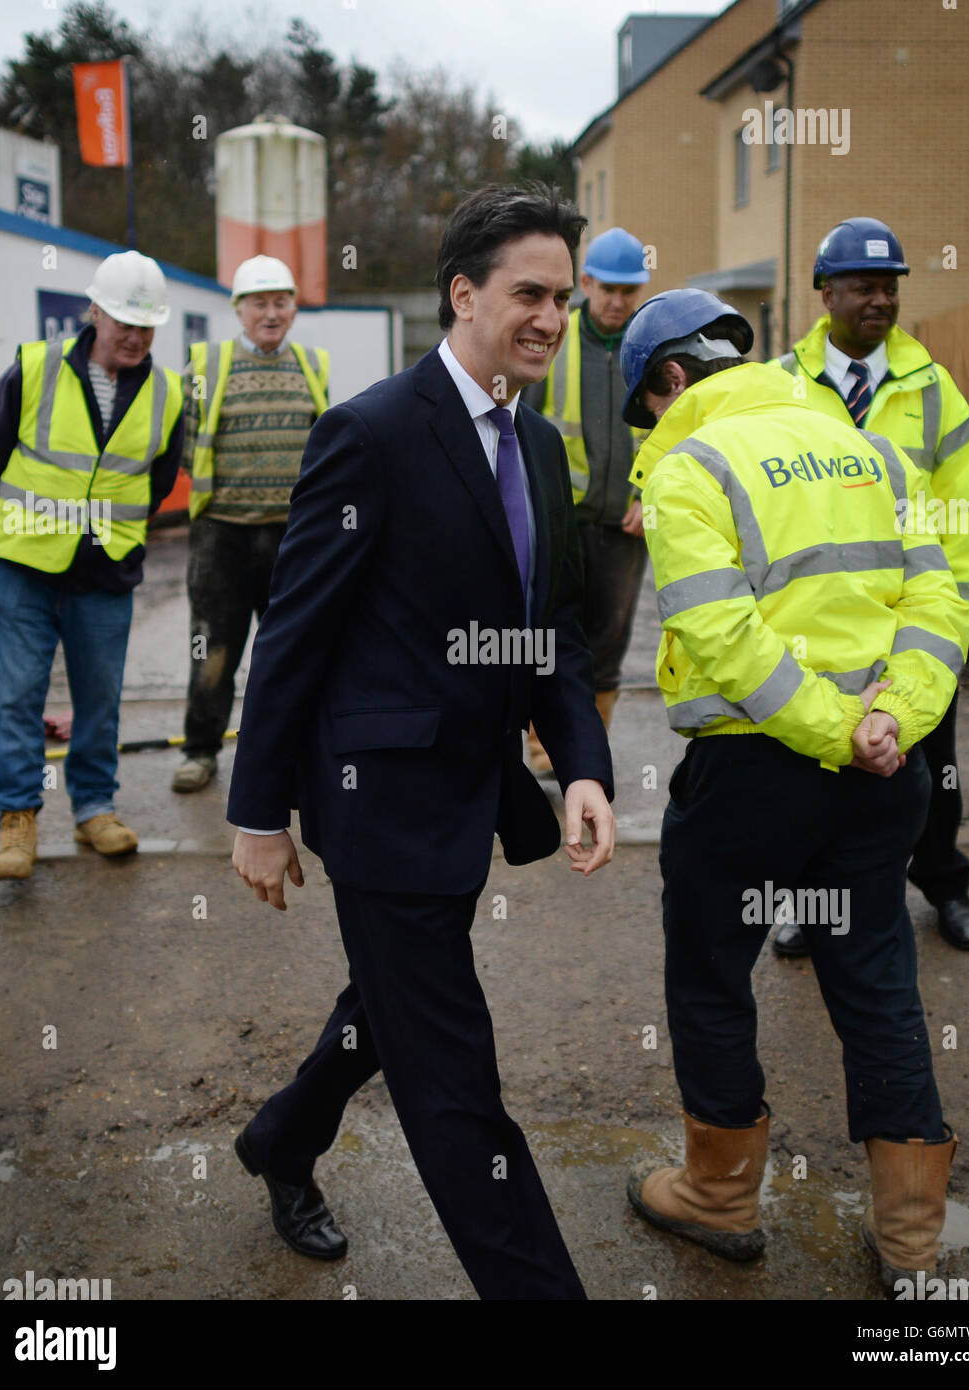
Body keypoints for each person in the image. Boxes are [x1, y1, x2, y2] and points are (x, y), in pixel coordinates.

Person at [226, 184, 616, 1300]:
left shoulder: (539, 446)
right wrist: (258, 814)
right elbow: (294, 634)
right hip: (381, 805)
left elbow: (552, 632)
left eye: (563, 297)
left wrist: (580, 764)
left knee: (387, 1012)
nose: (549, 317)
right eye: (528, 293)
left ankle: (280, 1140)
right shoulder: (373, 432)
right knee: (454, 1082)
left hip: (472, 797)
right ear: (463, 294)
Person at [618, 290, 969, 1291]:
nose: (652, 428)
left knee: (710, 976)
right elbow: (938, 606)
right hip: (881, 772)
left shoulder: (692, 466)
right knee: (877, 984)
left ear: (672, 380)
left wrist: (829, 733)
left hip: (749, 776)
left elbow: (725, 639)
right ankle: (908, 1245)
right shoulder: (875, 456)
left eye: (648, 406)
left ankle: (721, 1201)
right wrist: (884, 721)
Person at [772, 218, 969, 954]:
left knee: (935, 772)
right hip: (822, 621)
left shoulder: (931, 388)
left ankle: (946, 887)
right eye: (864, 286)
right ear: (825, 291)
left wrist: (967, 628)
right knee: (820, 772)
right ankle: (815, 908)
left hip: (915, 622)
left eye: (891, 288)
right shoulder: (783, 386)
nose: (880, 300)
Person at [0, 251, 184, 880]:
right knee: (16, 697)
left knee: (100, 700)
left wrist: (119, 538)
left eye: (146, 326)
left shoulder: (166, 393)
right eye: (123, 321)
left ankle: (94, 808)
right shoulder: (35, 369)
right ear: (94, 312)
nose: (134, 336)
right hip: (28, 570)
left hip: (106, 574)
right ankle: (17, 816)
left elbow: (158, 480)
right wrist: (5, 534)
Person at [171, 256, 329, 792]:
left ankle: (298, 753)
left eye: (280, 301)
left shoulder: (314, 364)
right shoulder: (204, 365)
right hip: (222, 535)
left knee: (293, 651)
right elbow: (188, 442)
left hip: (294, 536)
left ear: (293, 308)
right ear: (238, 310)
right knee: (213, 648)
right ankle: (199, 750)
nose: (271, 312)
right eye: (259, 302)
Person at [521, 226, 650, 773]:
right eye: (609, 289)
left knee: (610, 641)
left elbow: (676, 431)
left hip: (626, 526)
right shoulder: (555, 339)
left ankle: (586, 755)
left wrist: (652, 495)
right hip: (562, 523)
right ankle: (543, 749)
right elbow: (521, 427)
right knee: (548, 632)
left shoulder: (652, 346)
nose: (619, 302)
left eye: (630, 291)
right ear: (588, 283)